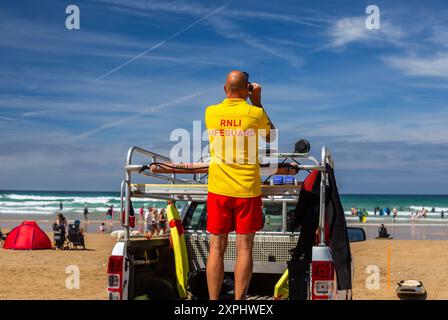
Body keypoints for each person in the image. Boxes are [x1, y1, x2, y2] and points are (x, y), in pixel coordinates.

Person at [205, 70, 272, 300]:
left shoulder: (210, 112)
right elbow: (271, 136)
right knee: (244, 248)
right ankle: (239, 302)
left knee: (216, 248)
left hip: (218, 189)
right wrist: (258, 101)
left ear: (225, 89)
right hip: (247, 190)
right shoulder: (254, 113)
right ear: (247, 90)